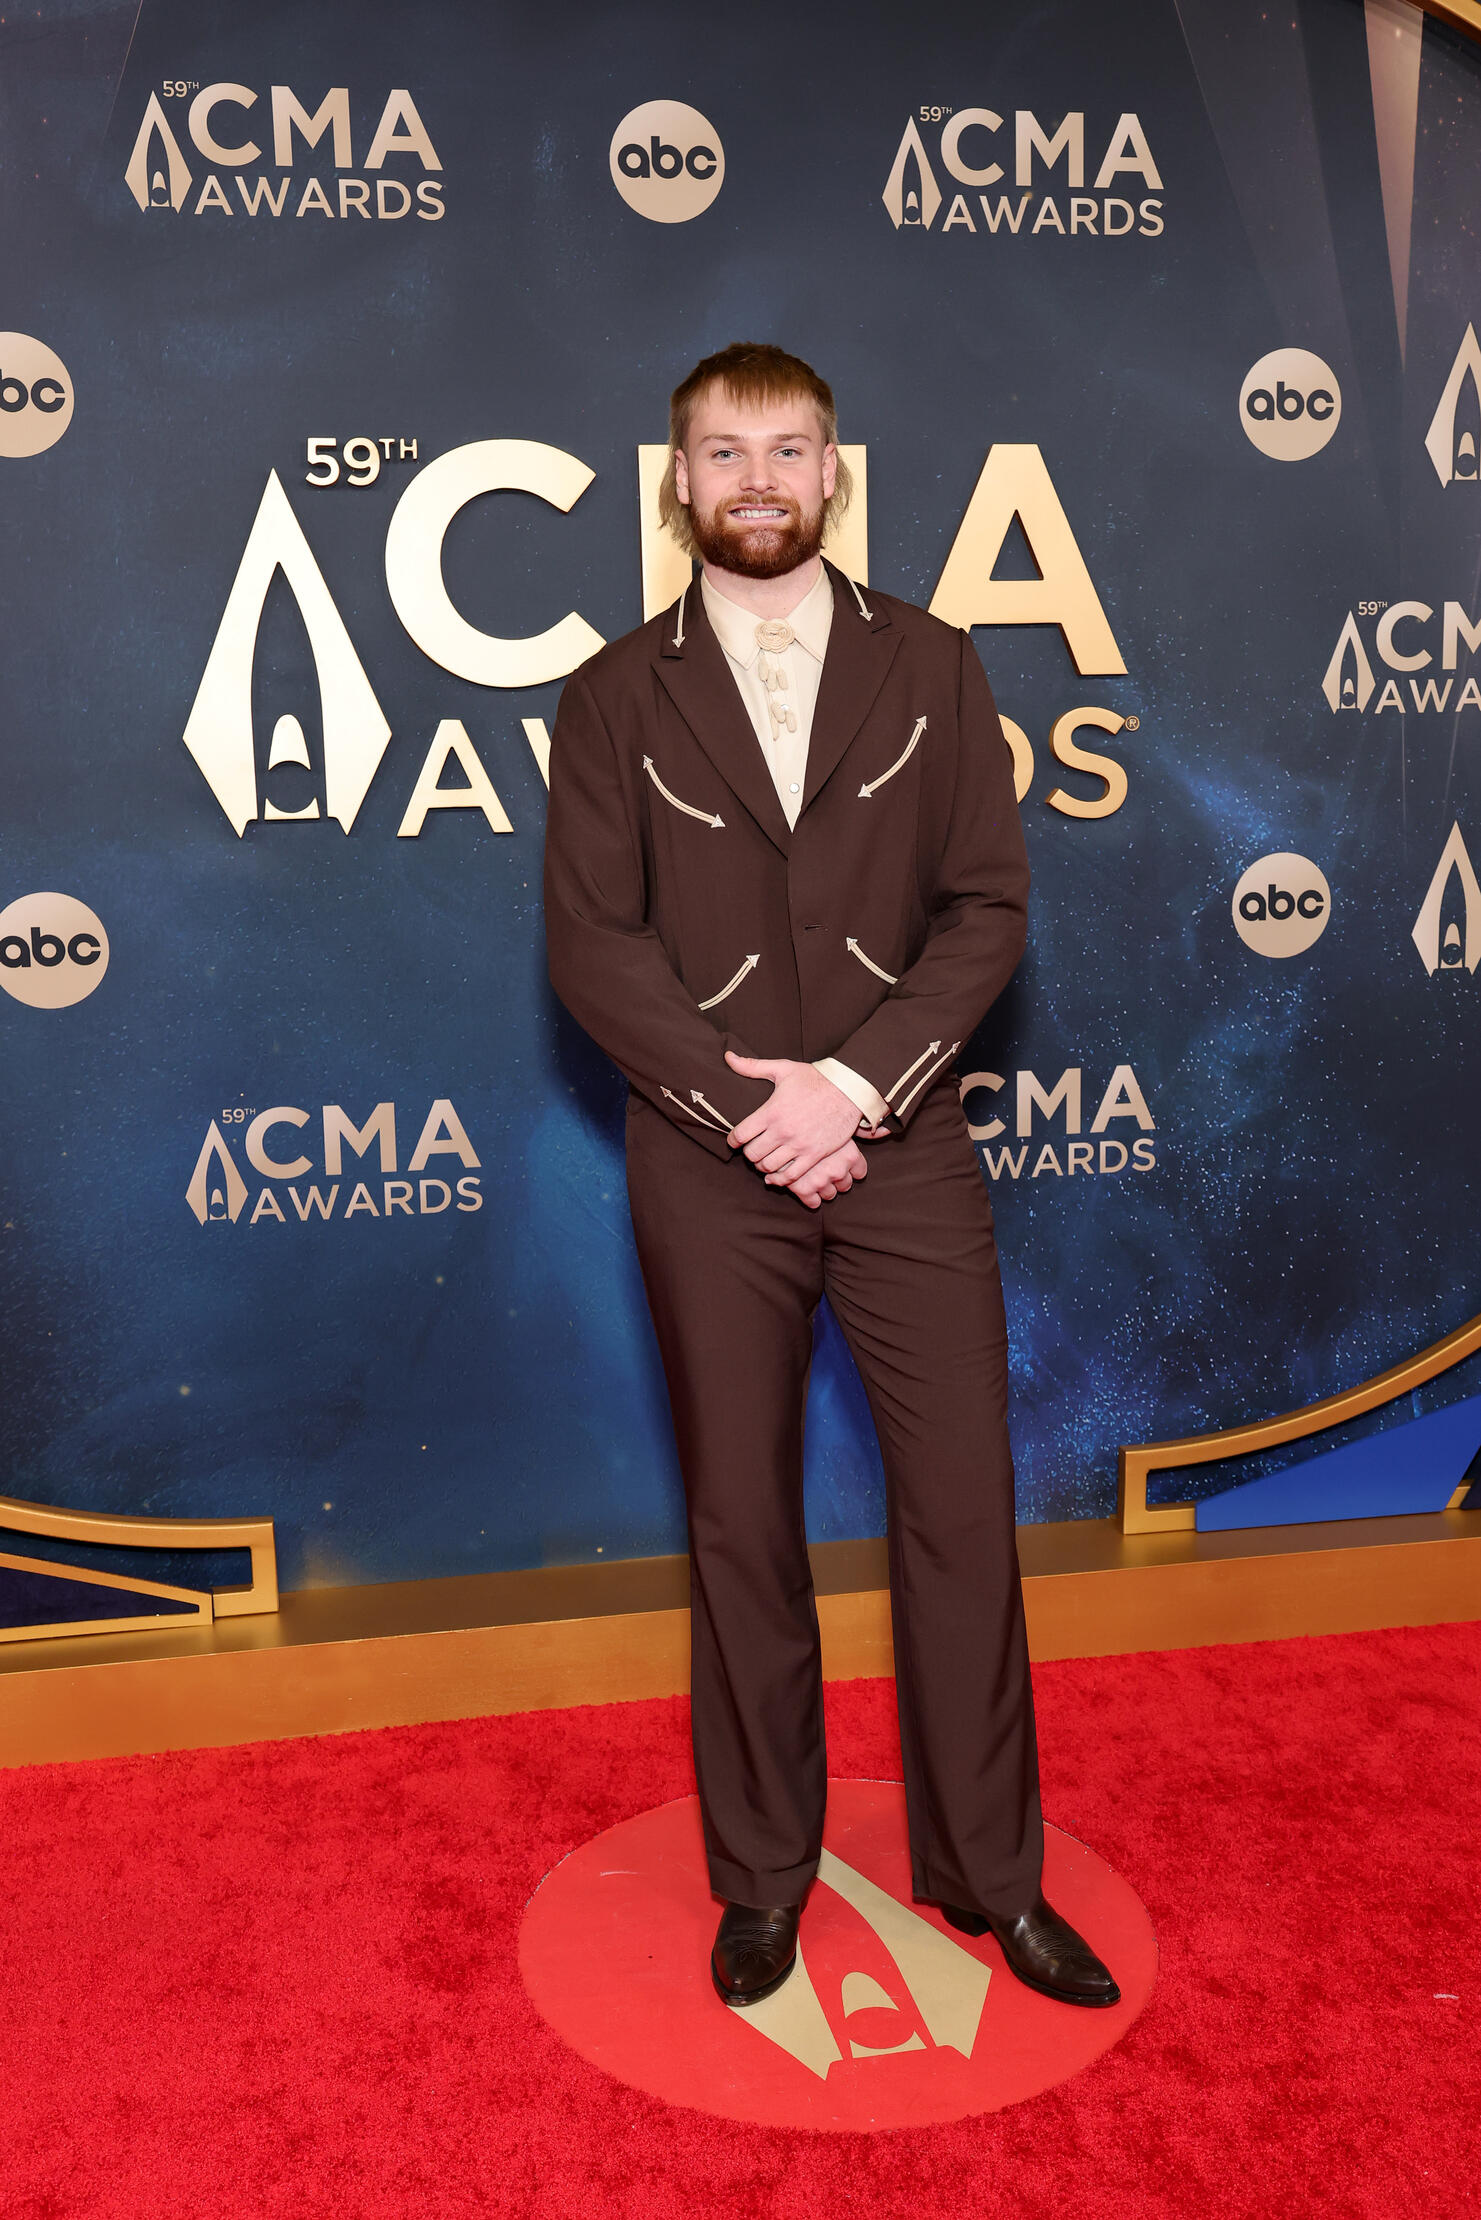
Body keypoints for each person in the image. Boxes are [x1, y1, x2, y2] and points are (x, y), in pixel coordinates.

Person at [543, 343, 1117, 2012]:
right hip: (708, 1160)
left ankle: (989, 1878)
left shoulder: (934, 667)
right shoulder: (610, 695)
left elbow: (984, 912)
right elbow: (595, 945)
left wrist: (857, 1088)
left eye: (787, 451)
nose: (758, 483)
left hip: (906, 1145)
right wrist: (756, 1111)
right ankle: (762, 1879)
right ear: (677, 483)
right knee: (741, 1527)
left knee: (959, 1515)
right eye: (723, 455)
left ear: (834, 473)